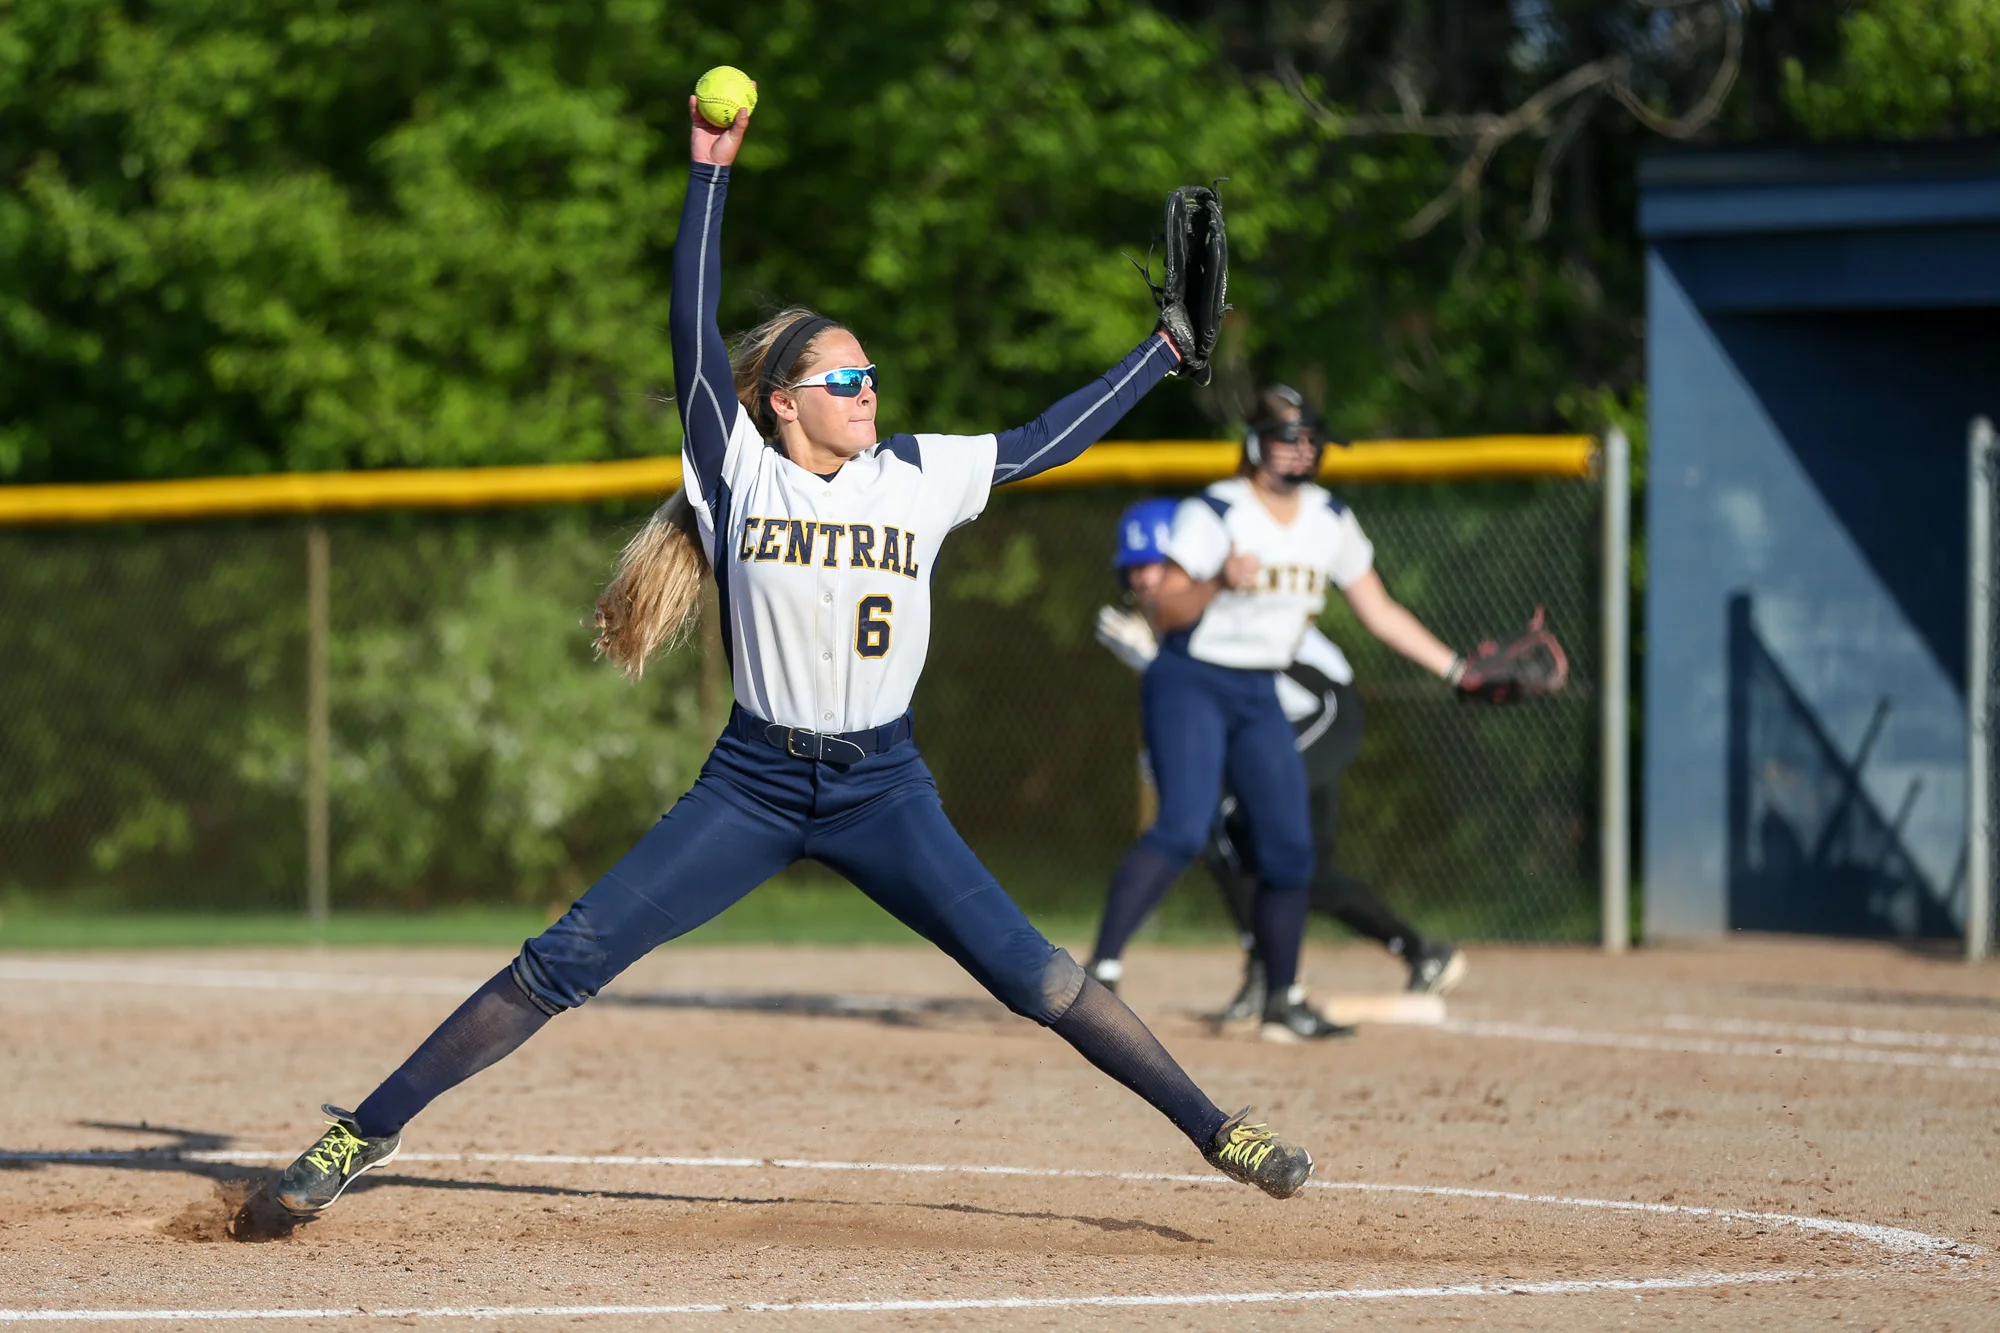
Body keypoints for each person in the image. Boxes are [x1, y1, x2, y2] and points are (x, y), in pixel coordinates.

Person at [268, 93, 1314, 1216]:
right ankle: (361, 1133)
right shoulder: (734, 468)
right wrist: (706, 173)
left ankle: (1220, 1130)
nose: (870, 392)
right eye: (845, 380)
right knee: (564, 959)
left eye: (870, 377)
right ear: (778, 404)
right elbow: (691, 319)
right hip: (754, 783)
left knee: (1036, 974)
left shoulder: (912, 474)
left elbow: (1036, 442)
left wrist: (1161, 352)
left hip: (882, 788)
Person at [1085, 386, 1475, 1044]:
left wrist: (1458, 670)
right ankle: (1101, 974)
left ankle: (1282, 997)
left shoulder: (1330, 517)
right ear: (1254, 444)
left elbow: (1379, 612)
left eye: (1307, 438)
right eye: (1284, 437)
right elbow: (1166, 610)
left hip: (1259, 690)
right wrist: (1216, 581)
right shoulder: (1217, 510)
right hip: (1194, 680)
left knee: (1290, 849)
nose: (1298, 449)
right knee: (1183, 828)